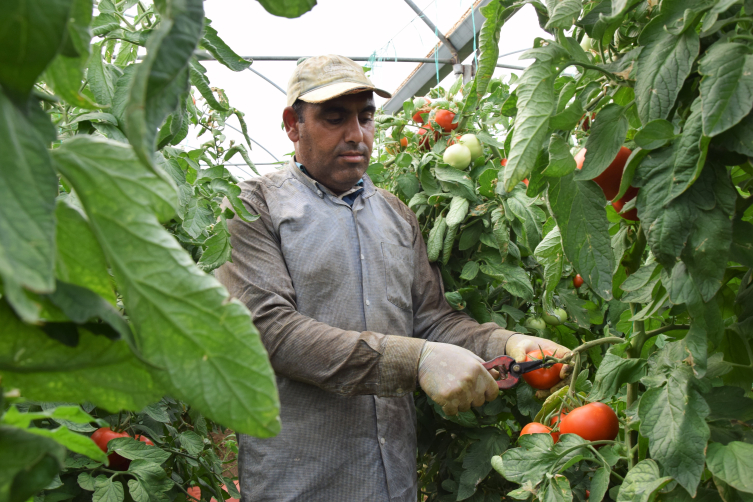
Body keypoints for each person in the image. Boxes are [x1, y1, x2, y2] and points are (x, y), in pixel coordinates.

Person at [215, 54, 570, 502]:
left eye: (365, 117)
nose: (356, 134)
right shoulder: (255, 207)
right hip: (300, 481)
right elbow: (271, 332)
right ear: (293, 124)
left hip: (392, 480)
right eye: (334, 117)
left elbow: (432, 320)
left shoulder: (396, 214)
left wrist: (504, 344)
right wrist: (416, 360)